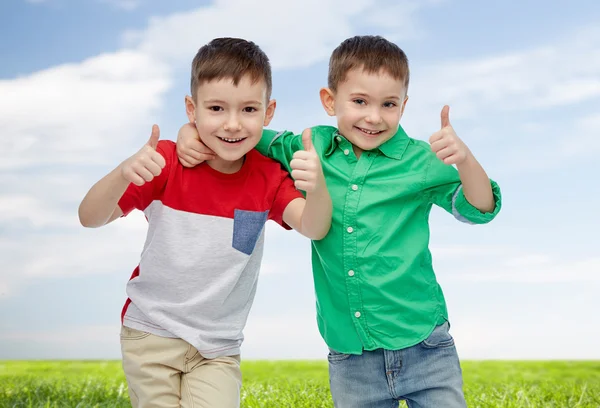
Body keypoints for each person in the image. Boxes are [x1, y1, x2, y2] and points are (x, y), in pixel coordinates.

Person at [176, 35, 502, 408]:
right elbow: (237, 138)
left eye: (388, 104)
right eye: (359, 101)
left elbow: (481, 209)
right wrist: (188, 132)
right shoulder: (309, 146)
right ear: (330, 101)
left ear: (403, 106)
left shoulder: (421, 160)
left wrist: (465, 159)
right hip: (350, 353)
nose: (374, 116)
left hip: (424, 343)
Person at [78, 37, 332, 408]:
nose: (232, 124)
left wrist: (319, 186)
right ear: (191, 109)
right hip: (151, 334)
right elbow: (89, 217)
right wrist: (123, 173)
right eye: (216, 108)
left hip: (218, 347)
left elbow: (314, 227)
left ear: (268, 112)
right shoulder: (164, 160)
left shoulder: (268, 176)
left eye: (248, 109)